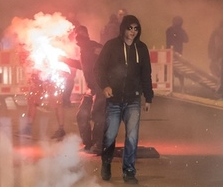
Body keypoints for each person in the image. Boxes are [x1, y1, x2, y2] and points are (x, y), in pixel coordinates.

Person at [96, 15, 154, 184]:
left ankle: (129, 170)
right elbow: (99, 68)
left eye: (136, 29)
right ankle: (106, 163)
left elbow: (146, 74)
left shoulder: (141, 48)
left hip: (133, 100)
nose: (132, 32)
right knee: (110, 135)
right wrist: (105, 86)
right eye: (130, 28)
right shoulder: (111, 46)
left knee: (132, 136)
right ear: (123, 29)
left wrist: (148, 97)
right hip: (114, 100)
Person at [62, 26, 105, 153]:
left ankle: (99, 144)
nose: (78, 40)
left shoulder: (93, 47)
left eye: (80, 36)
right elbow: (81, 66)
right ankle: (88, 144)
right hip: (91, 89)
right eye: (77, 37)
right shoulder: (83, 51)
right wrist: (64, 60)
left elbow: (107, 56)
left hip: (101, 87)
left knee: (98, 115)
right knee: (82, 115)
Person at [165, 16, 189, 91]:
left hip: (178, 53)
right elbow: (169, 40)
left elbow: (186, 39)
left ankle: (181, 86)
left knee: (179, 70)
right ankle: (172, 85)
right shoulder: (170, 30)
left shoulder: (180, 31)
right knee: (170, 69)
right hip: (171, 53)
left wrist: (179, 34)